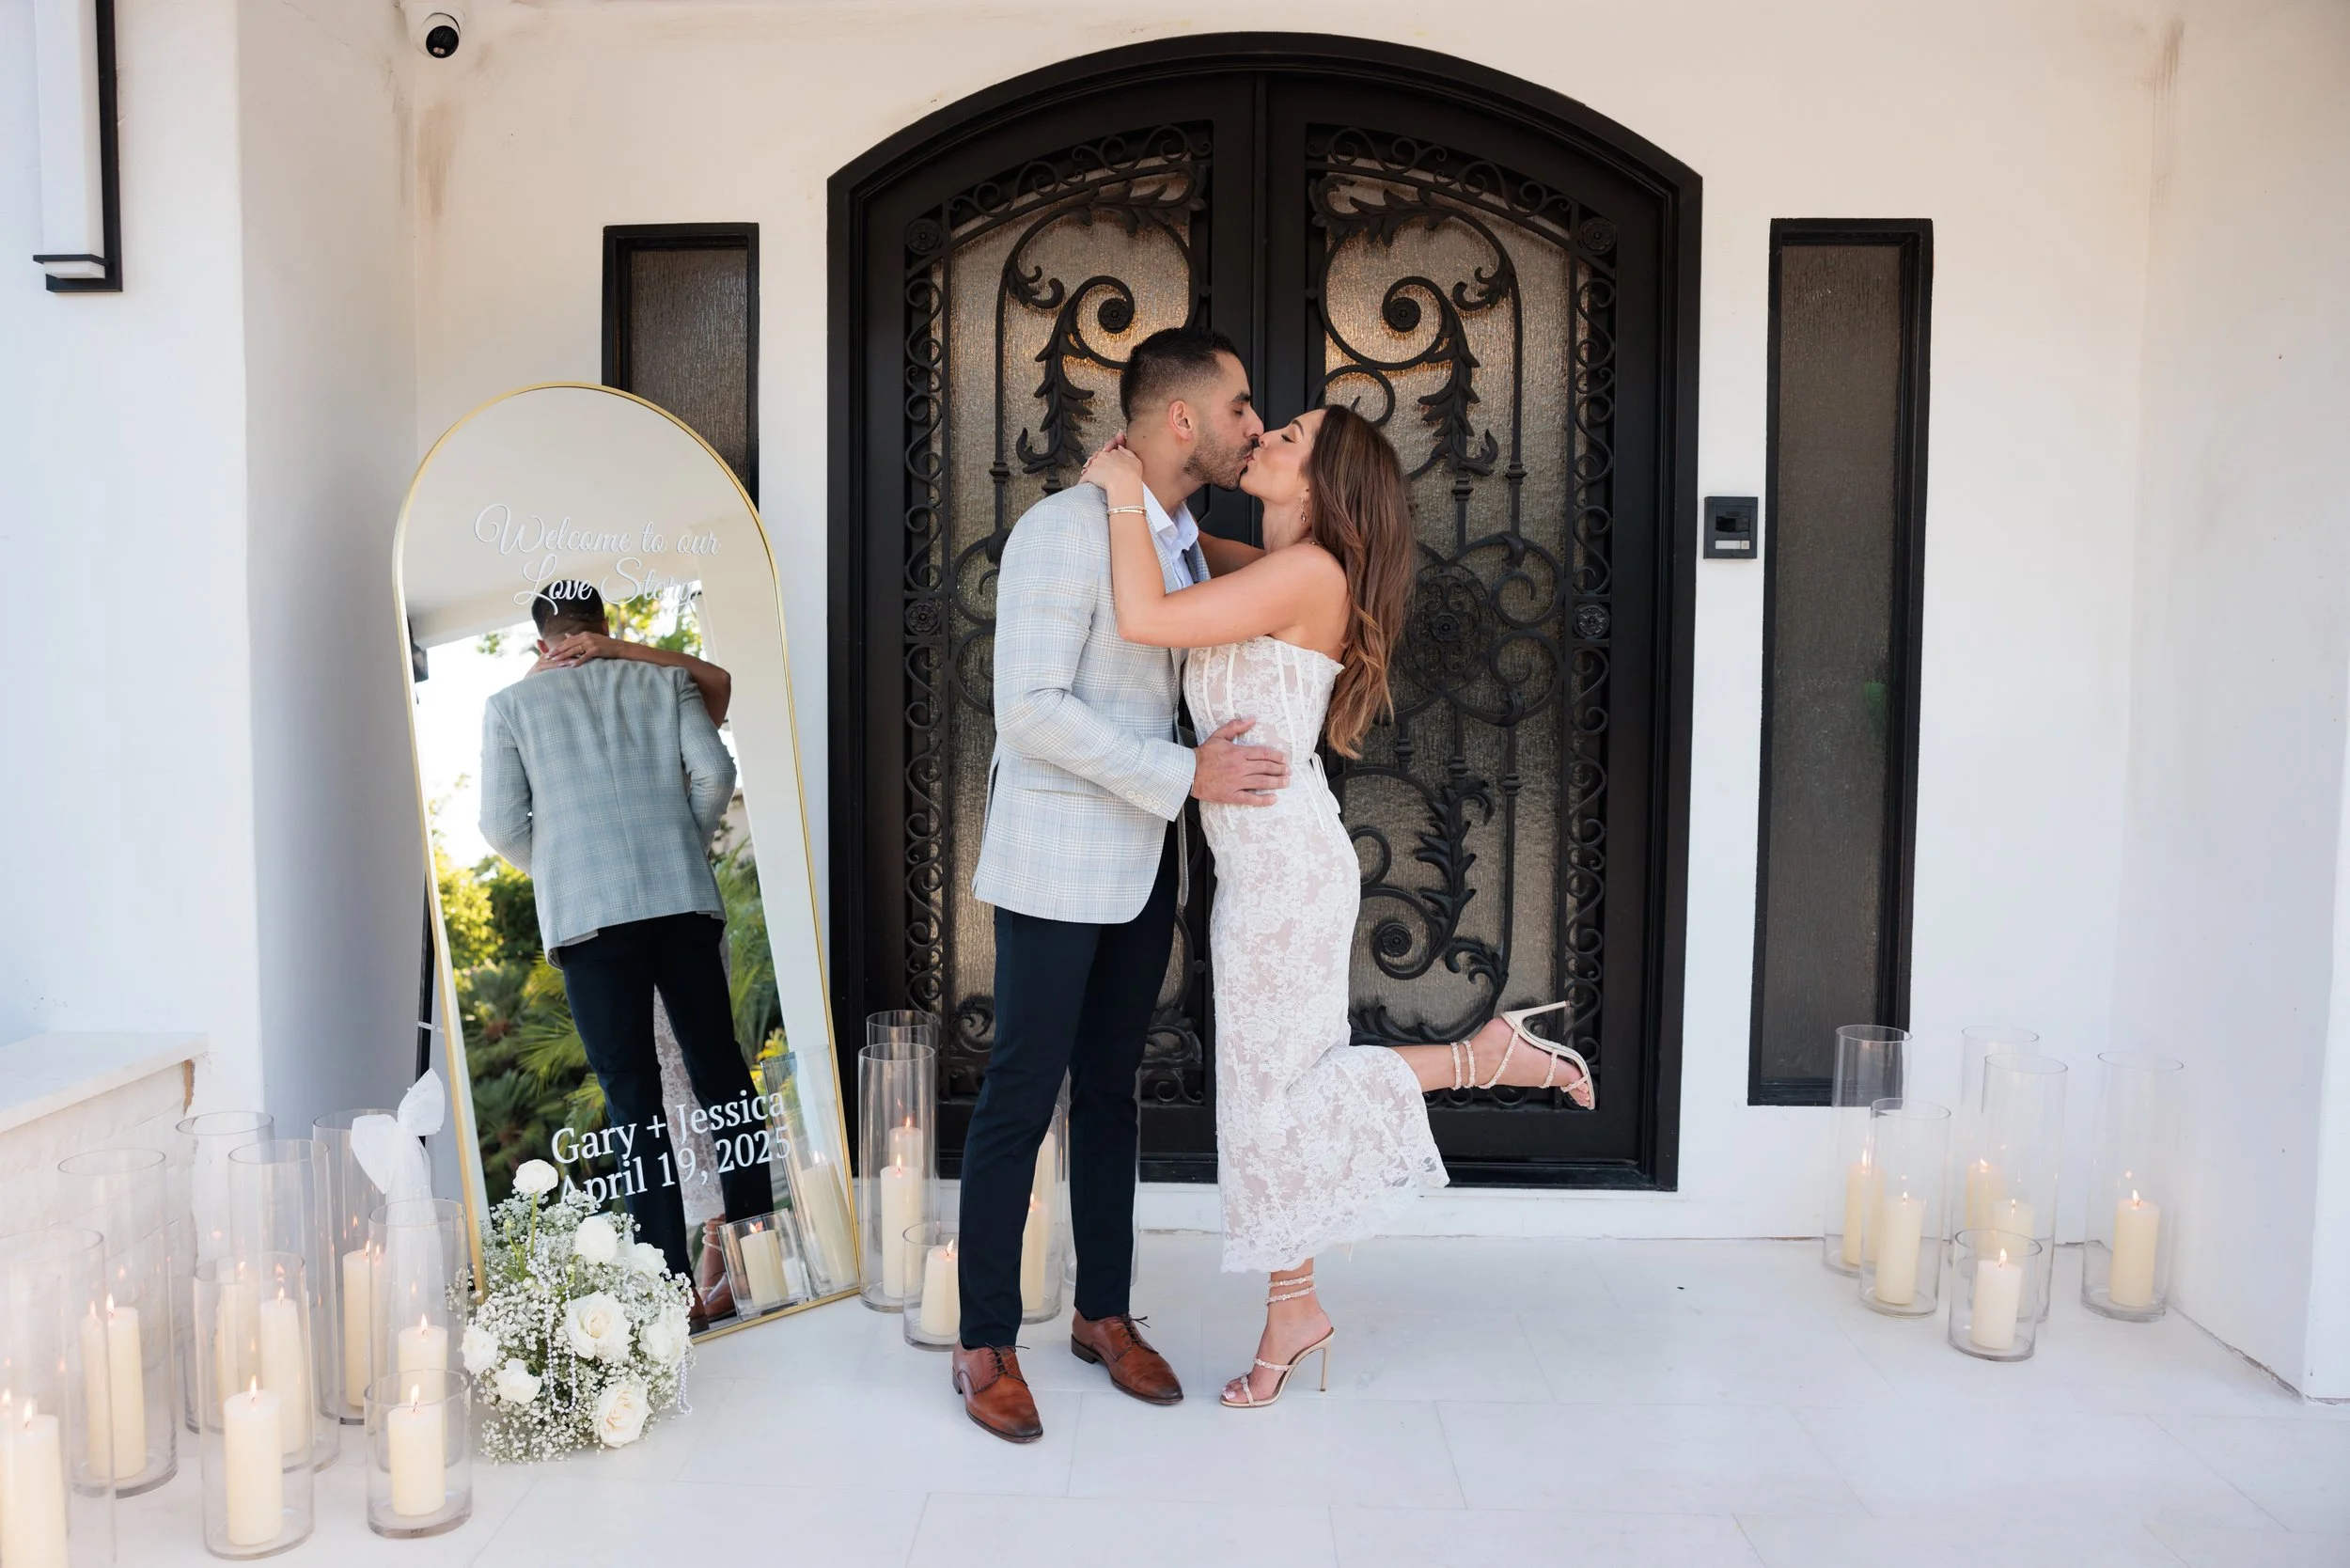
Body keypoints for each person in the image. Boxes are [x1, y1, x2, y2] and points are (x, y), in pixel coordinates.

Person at [1081, 400, 1597, 1409]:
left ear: (1324, 483)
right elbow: (1180, 546)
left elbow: (1146, 610)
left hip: (1285, 873)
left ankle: (1481, 1057)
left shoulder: (1308, 573)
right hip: (1263, 868)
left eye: (1292, 436)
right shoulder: (1266, 563)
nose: (1267, 434)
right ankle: (1293, 1307)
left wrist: (1111, 498)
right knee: (1262, 1101)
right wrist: (1146, 486)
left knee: (1279, 1096)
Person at [955, 325, 1288, 1443]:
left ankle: (1103, 1314)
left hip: (1148, 864)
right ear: (1182, 418)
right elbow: (1032, 710)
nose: (1254, 423)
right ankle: (984, 1339)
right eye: (1241, 406)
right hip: (1057, 860)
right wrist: (1183, 773)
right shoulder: (1059, 532)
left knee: (1111, 1095)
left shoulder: (1182, 537)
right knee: (1020, 1097)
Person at [478, 580, 768, 1311]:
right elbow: (717, 774)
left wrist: (566, 869)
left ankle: (668, 1296)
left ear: (542, 641)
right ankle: (762, 1258)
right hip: (682, 900)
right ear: (604, 625)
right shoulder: (661, 679)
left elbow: (499, 823)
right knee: (725, 1077)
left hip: (588, 919)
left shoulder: (509, 706)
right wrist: (684, 842)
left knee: (631, 1101)